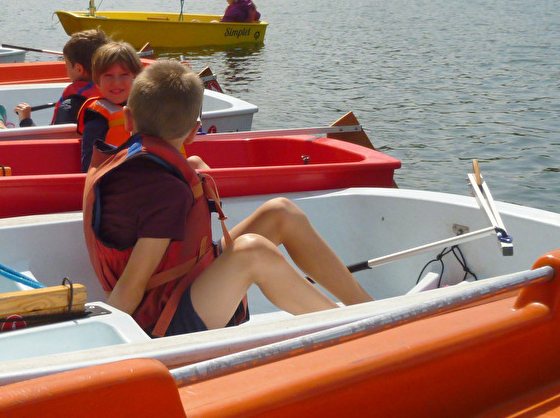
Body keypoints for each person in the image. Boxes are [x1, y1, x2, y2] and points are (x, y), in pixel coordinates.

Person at [82, 60, 373, 338]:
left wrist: (193, 169)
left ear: (129, 118)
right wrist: (111, 348)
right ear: (194, 132)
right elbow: (132, 286)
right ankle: (351, 332)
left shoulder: (140, 165)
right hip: (160, 325)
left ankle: (370, 311)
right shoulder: (165, 191)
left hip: (179, 287)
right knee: (252, 252)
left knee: (280, 212)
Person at [15, 29, 108, 128]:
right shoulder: (114, 96)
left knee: (3, 128)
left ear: (79, 69)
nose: (66, 68)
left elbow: (53, 141)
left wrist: (25, 120)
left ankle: (0, 124)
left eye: (67, 65)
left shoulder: (69, 107)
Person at [77, 41, 143, 170]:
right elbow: (89, 167)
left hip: (147, 177)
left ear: (135, 78)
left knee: (194, 161)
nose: (116, 83)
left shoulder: (145, 109)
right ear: (97, 82)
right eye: (108, 76)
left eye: (124, 75)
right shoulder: (97, 119)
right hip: (116, 182)